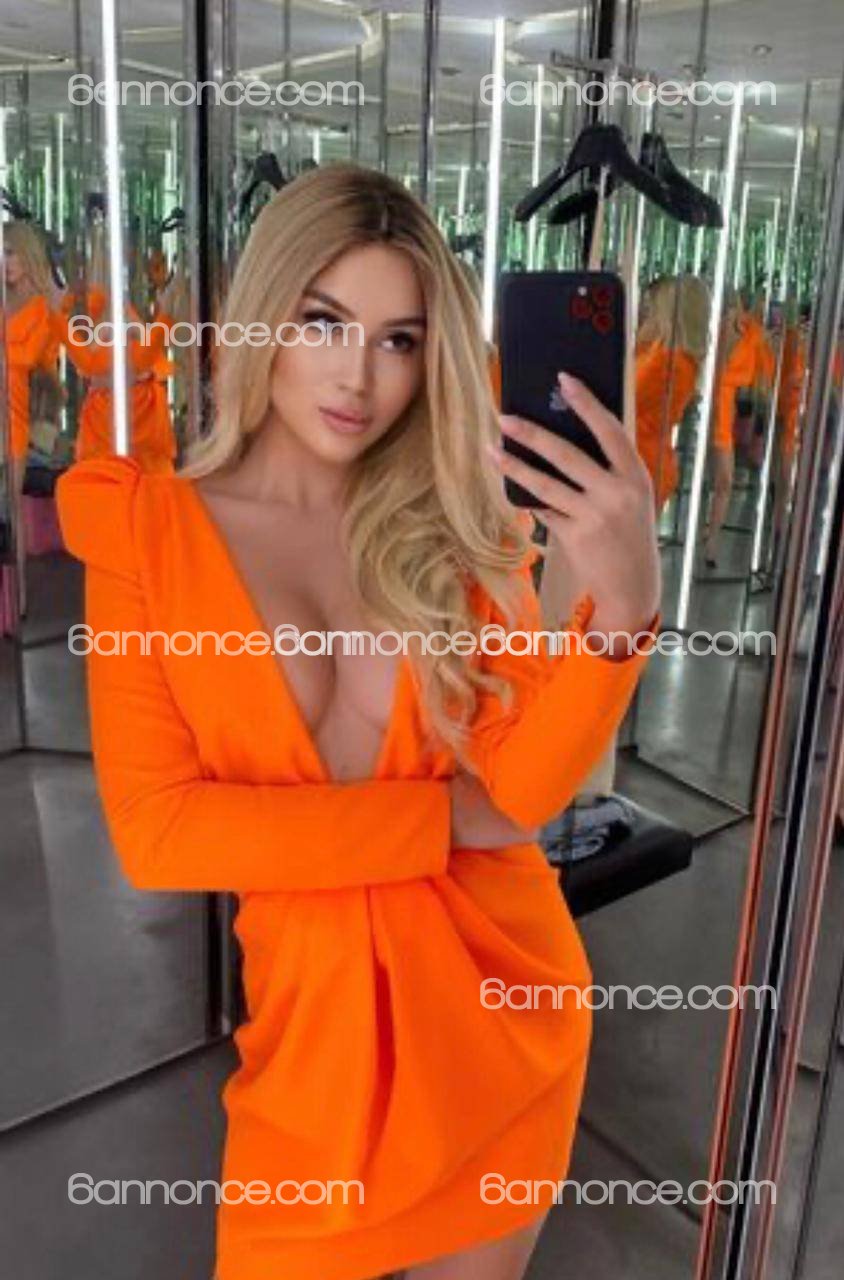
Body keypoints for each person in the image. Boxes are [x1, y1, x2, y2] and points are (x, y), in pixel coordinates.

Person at [55, 165, 660, 1280]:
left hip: (502, 1020)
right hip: (308, 1061)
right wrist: (439, 822)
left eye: (399, 340)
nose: (357, 375)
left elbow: (523, 797)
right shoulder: (145, 532)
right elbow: (161, 833)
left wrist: (620, 613)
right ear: (264, 316)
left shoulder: (458, 528)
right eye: (323, 321)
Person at [1, 221, 63, 613]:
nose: (5, 261)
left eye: (11, 253)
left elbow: (28, 357)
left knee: (10, 508)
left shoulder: (42, 307)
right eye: (2, 254)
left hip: (16, 418)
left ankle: (18, 597)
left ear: (27, 255)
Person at [634, 273, 710, 512]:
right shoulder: (660, 352)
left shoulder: (671, 362)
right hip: (639, 461)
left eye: (653, 306)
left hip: (640, 465)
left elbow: (625, 399)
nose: (646, 311)